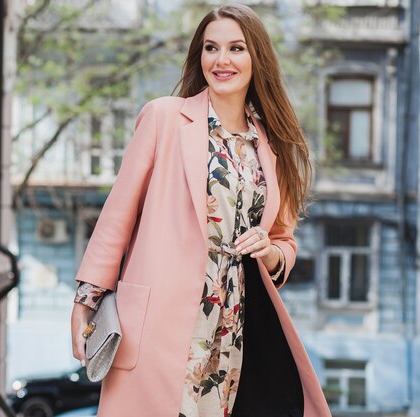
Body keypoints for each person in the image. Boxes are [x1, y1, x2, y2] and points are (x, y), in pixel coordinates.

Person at [70, 3, 331, 417]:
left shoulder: (270, 146)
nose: (221, 60)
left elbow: (283, 240)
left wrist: (270, 251)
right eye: (211, 48)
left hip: (234, 326)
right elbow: (116, 216)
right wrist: (87, 298)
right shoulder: (164, 118)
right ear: (199, 55)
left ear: (256, 59)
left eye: (236, 48)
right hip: (158, 324)